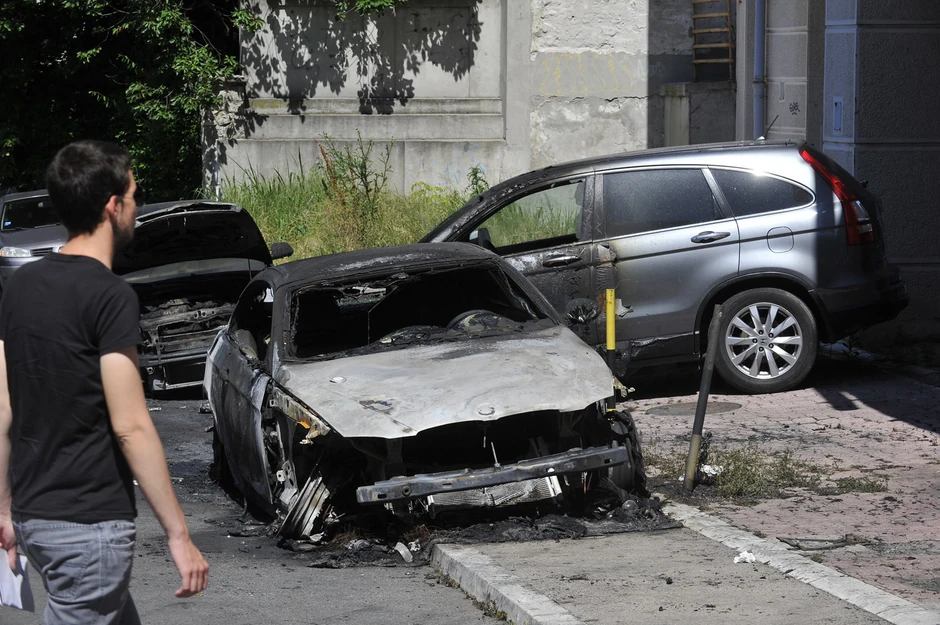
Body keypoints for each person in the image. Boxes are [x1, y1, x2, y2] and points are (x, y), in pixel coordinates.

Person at [0, 140, 209, 624]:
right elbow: (131, 425)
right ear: (113, 206)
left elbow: (4, 410)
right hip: (88, 524)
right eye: (133, 194)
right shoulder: (111, 296)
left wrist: (6, 511)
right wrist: (179, 536)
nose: (137, 204)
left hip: (37, 517)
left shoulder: (19, 288)